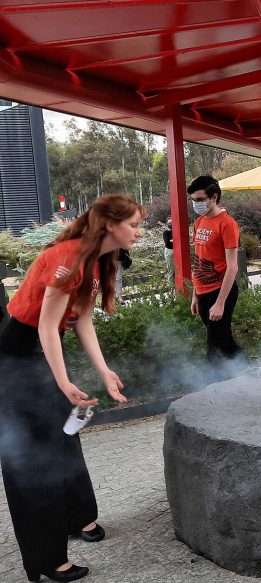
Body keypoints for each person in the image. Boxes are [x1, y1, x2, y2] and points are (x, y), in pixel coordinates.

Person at [0, 194, 138, 583]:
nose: (140, 231)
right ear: (111, 225)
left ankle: (77, 518)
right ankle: (45, 559)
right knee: (31, 456)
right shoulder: (68, 259)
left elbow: (82, 321)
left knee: (66, 434)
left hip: (42, 351)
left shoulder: (98, 262)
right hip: (16, 356)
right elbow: (45, 326)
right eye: (135, 224)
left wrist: (105, 370)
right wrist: (63, 382)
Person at [188, 175, 242, 362]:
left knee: (215, 349)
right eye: (193, 200)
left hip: (220, 292)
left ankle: (215, 387)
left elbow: (232, 267)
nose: (196, 204)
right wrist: (195, 295)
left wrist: (220, 303)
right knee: (225, 342)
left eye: (201, 200)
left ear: (214, 197)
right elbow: (199, 260)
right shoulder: (199, 222)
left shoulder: (227, 224)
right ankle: (248, 371)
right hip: (202, 292)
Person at [163, 217, 174, 284]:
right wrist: (173, 240)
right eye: (169, 223)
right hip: (169, 251)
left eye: (172, 223)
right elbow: (167, 242)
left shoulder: (175, 231)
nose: (171, 224)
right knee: (171, 270)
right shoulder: (165, 232)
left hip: (177, 251)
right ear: (167, 223)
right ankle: (171, 288)